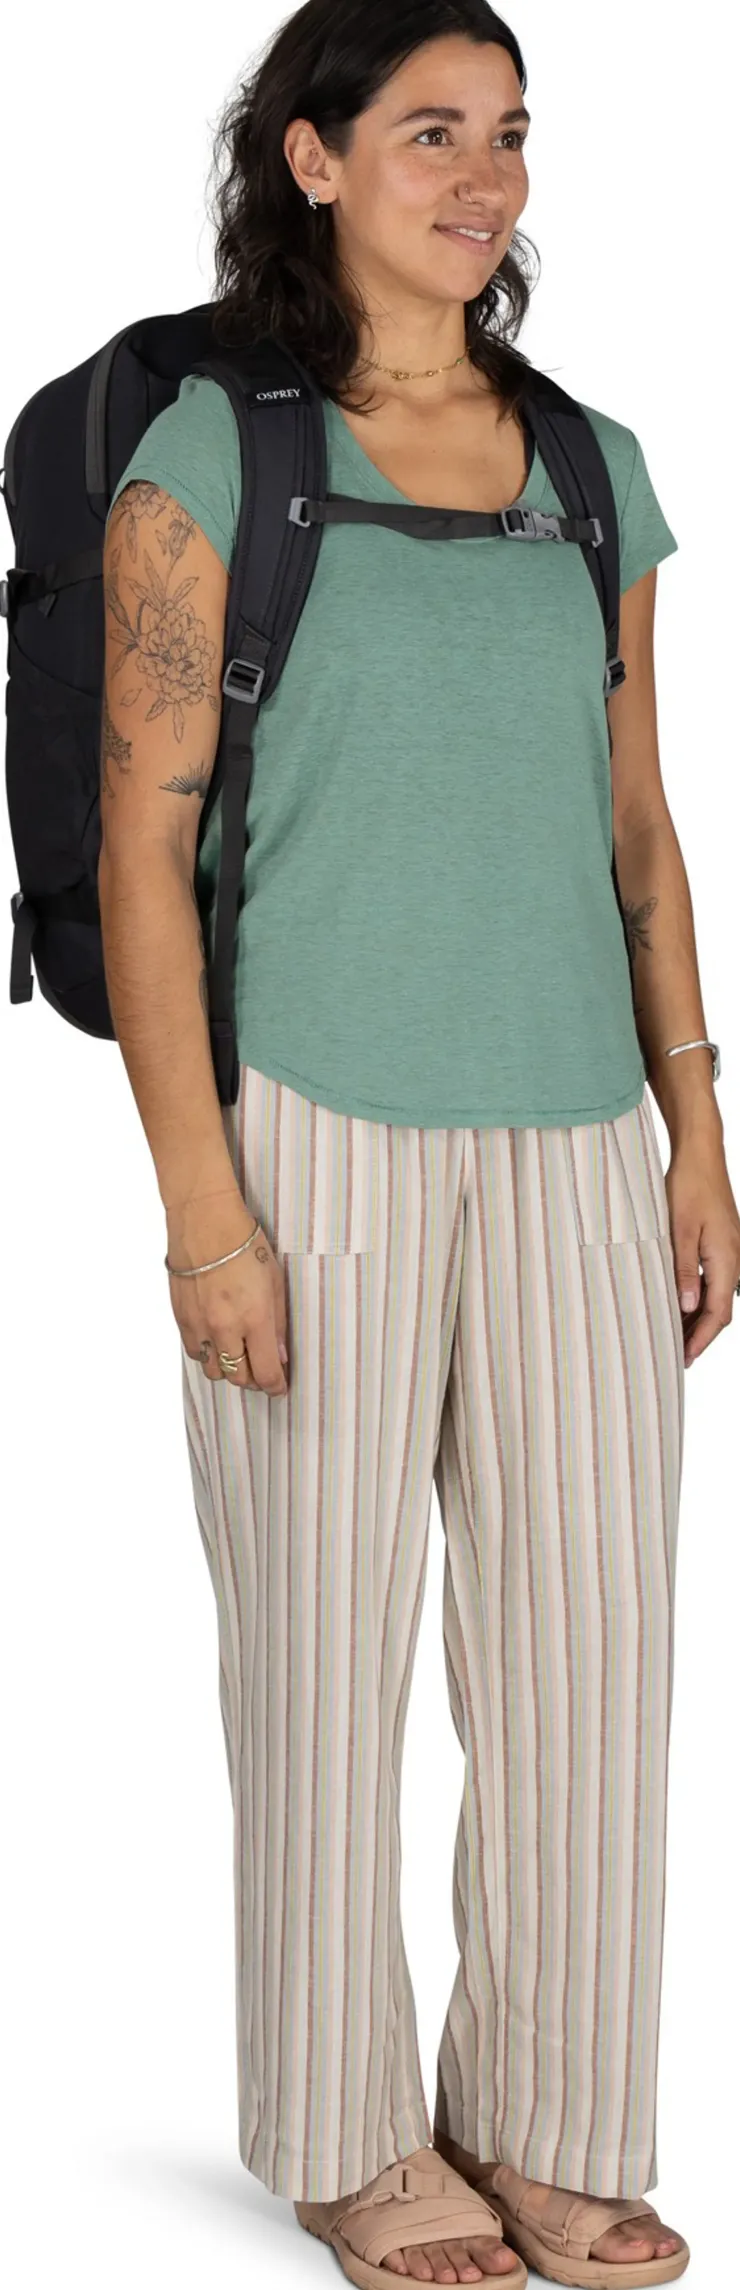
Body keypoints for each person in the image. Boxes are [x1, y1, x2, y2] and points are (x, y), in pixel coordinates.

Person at [99, 2, 740, 2283]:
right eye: (430, 132)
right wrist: (203, 1209)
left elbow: (637, 827)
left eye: (511, 136)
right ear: (312, 158)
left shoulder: (593, 465)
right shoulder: (214, 450)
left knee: (591, 1668)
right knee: (320, 1665)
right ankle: (345, 2133)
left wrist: (695, 1127)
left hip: (576, 1141)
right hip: (313, 1134)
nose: (484, 178)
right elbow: (144, 841)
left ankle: (549, 2122)